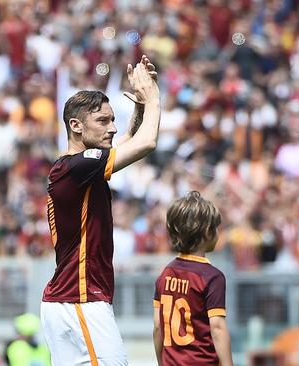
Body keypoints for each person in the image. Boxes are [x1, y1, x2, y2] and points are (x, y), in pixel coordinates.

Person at [39, 54, 160, 365]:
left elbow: (130, 141)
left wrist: (141, 107)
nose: (113, 128)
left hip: (70, 300)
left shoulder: (80, 167)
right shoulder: (78, 166)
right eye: (103, 121)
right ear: (76, 126)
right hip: (80, 300)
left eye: (113, 119)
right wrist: (155, 97)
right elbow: (146, 143)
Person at [153, 191, 234, 366]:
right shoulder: (212, 277)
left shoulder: (165, 274)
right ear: (207, 232)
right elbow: (217, 327)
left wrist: (162, 362)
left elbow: (158, 326)